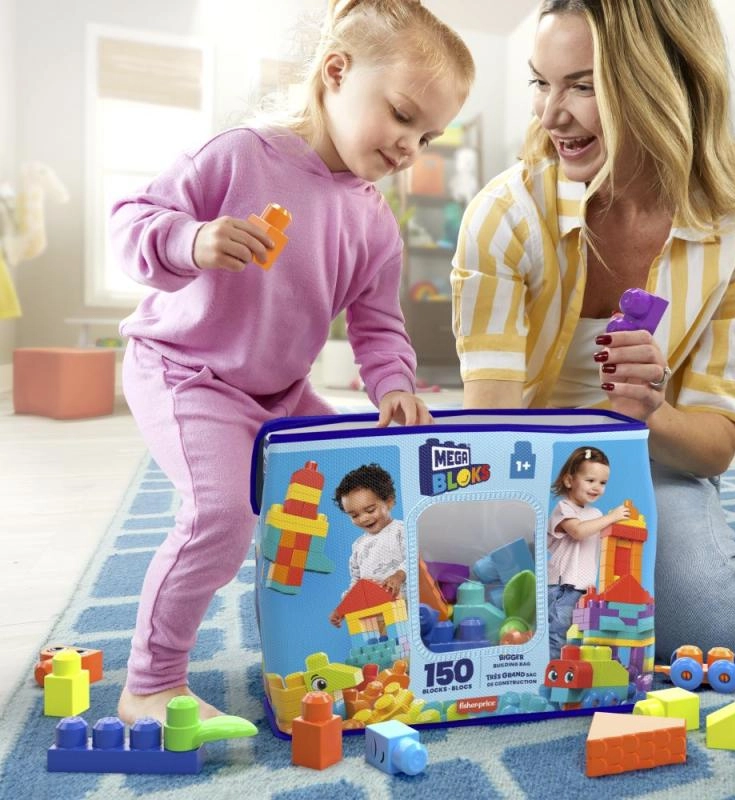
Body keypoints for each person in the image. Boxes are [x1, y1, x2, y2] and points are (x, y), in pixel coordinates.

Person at [110, 0, 474, 724]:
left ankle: (333, 635)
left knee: (357, 486)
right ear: (336, 72)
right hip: (186, 370)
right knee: (221, 514)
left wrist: (394, 385)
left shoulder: (375, 221)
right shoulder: (239, 155)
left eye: (427, 135)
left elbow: (377, 323)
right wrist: (191, 240)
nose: (411, 146)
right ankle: (150, 684)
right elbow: (130, 224)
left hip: (279, 392)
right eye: (402, 116)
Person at [451, 0, 735, 668]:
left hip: (656, 460)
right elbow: (488, 428)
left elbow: (713, 449)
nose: (549, 115)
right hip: (530, 467)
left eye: (582, 86)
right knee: (499, 603)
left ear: (664, 83)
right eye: (541, 82)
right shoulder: (506, 214)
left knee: (716, 620)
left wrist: (650, 411)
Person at [547, 446, 630, 656]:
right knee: (559, 630)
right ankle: (551, 667)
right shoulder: (564, 508)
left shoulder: (596, 513)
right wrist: (612, 518)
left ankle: (570, 666)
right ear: (569, 481)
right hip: (563, 586)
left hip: (584, 586)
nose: (597, 487)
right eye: (590, 480)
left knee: (578, 632)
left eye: (602, 483)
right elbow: (578, 531)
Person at [329, 463, 406, 627]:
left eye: (370, 510)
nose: (363, 518)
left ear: (389, 502)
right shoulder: (358, 546)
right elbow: (356, 582)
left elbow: (414, 559)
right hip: (374, 615)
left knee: (405, 638)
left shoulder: (401, 530)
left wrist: (399, 575)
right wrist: (343, 607)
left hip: (404, 608)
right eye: (354, 515)